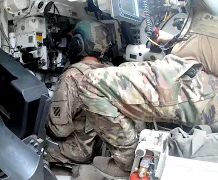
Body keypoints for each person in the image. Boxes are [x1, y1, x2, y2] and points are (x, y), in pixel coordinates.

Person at [77, 0, 218, 178]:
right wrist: (170, 40)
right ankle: (138, 142)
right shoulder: (203, 13)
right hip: (189, 62)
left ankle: (128, 161)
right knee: (124, 69)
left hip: (205, 78)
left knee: (92, 85)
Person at [46, 20, 112, 164]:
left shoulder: (71, 77)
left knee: (29, 146)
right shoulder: (111, 71)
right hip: (99, 147)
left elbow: (59, 131)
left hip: (76, 150)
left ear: (78, 43)